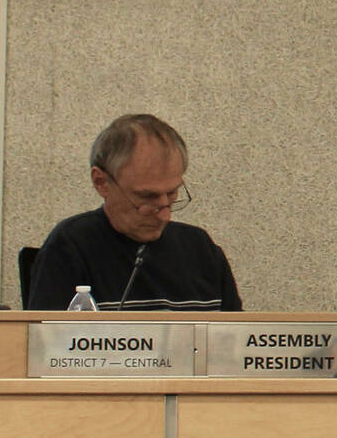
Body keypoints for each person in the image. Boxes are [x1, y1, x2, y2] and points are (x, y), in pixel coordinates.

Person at [26, 114, 241, 310]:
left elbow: (236, 342)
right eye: (147, 197)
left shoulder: (201, 248)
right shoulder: (71, 246)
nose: (164, 214)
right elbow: (48, 346)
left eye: (172, 193)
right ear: (101, 182)